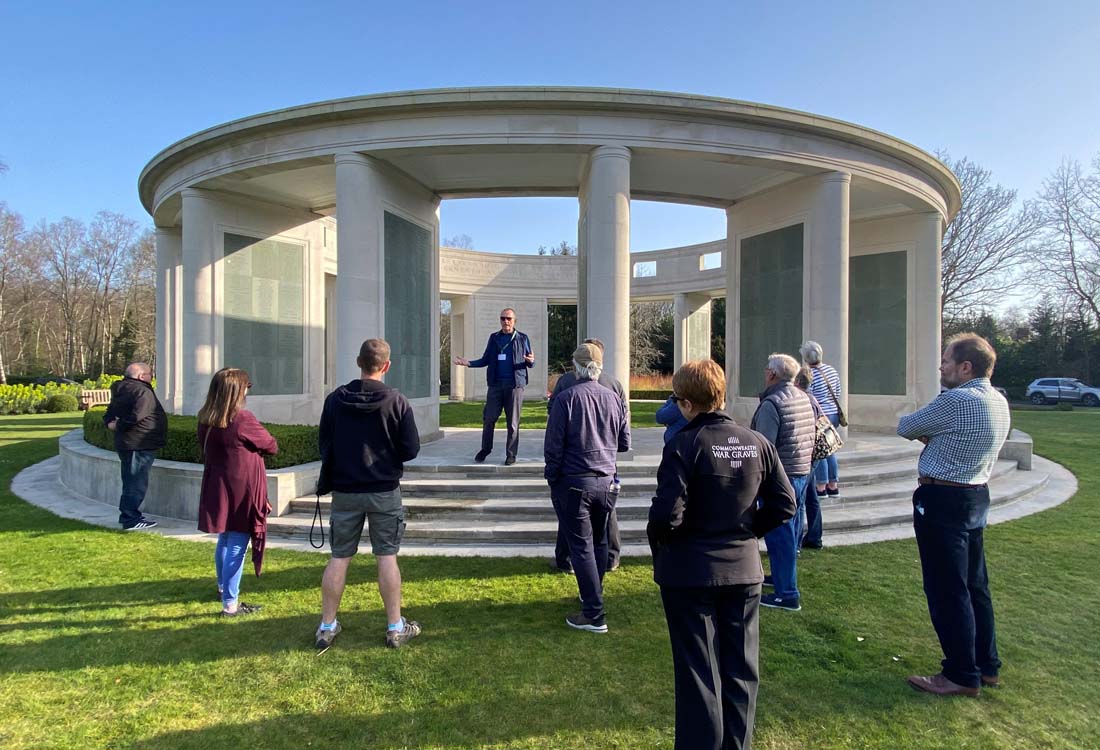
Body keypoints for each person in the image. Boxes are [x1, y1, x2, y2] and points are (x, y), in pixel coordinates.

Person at [649, 359, 797, 750]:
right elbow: (785, 503)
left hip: (691, 571)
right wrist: (747, 531)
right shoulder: (757, 442)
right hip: (742, 569)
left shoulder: (684, 445)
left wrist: (665, 544)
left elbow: (666, 514)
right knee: (741, 670)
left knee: (698, 673)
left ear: (686, 403)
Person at [898, 333, 1010, 697]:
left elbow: (906, 426)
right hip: (975, 496)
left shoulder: (957, 400)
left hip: (942, 500)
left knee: (947, 589)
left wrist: (932, 436)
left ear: (966, 367)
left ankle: (961, 674)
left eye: (946, 361)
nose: (941, 366)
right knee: (976, 585)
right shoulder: (998, 400)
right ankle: (986, 665)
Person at [315, 338, 422, 651]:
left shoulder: (335, 400)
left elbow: (324, 443)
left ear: (358, 362)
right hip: (383, 489)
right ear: (386, 366)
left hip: (346, 489)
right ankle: (394, 626)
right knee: (386, 555)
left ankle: (327, 626)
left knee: (339, 557)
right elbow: (411, 448)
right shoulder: (397, 401)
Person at [544, 343, 630, 633]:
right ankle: (593, 594)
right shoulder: (613, 398)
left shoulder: (566, 398)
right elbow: (624, 442)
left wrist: (552, 478)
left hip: (575, 481)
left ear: (576, 367)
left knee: (582, 546)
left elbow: (553, 447)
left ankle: (594, 612)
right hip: (606, 480)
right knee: (599, 541)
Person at [196, 368, 278, 617]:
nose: (246, 392)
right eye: (245, 388)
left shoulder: (206, 418)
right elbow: (271, 445)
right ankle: (230, 604)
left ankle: (224, 589)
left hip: (219, 485)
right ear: (236, 391)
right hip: (242, 489)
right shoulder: (242, 419)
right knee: (237, 543)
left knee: (226, 537)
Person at [751, 353, 815, 611]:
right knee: (789, 531)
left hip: (781, 478)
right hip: (801, 472)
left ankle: (787, 593)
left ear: (772, 374)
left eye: (767, 369)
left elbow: (763, 448)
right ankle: (781, 579)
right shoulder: (804, 397)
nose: (765, 372)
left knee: (780, 536)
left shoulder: (772, 403)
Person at [454, 307, 534, 465]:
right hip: (496, 386)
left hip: (515, 386)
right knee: (489, 418)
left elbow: (530, 361)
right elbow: (485, 359)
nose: (506, 321)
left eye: (509, 318)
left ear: (514, 321)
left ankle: (511, 454)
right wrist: (468, 363)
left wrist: (531, 361)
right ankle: (485, 449)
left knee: (513, 423)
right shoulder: (494, 338)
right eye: (503, 318)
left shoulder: (522, 338)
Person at [103, 361, 167, 531]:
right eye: (150, 374)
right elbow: (137, 416)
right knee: (136, 482)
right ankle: (130, 518)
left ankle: (129, 515)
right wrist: (119, 425)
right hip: (139, 443)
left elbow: (110, 412)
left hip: (129, 442)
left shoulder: (121, 388)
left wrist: (111, 423)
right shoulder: (142, 391)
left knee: (131, 480)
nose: (151, 377)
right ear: (141, 376)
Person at [800, 340, 843, 498]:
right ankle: (833, 485)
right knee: (830, 448)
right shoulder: (831, 370)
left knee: (820, 450)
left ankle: (821, 486)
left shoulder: (808, 373)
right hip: (833, 414)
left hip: (819, 415)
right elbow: (837, 392)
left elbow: (808, 395)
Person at [795, 365, 825, 549]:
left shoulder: (805, 401)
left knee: (801, 498)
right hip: (813, 454)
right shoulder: (812, 399)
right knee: (811, 496)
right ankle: (815, 536)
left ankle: (797, 542)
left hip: (808, 455)